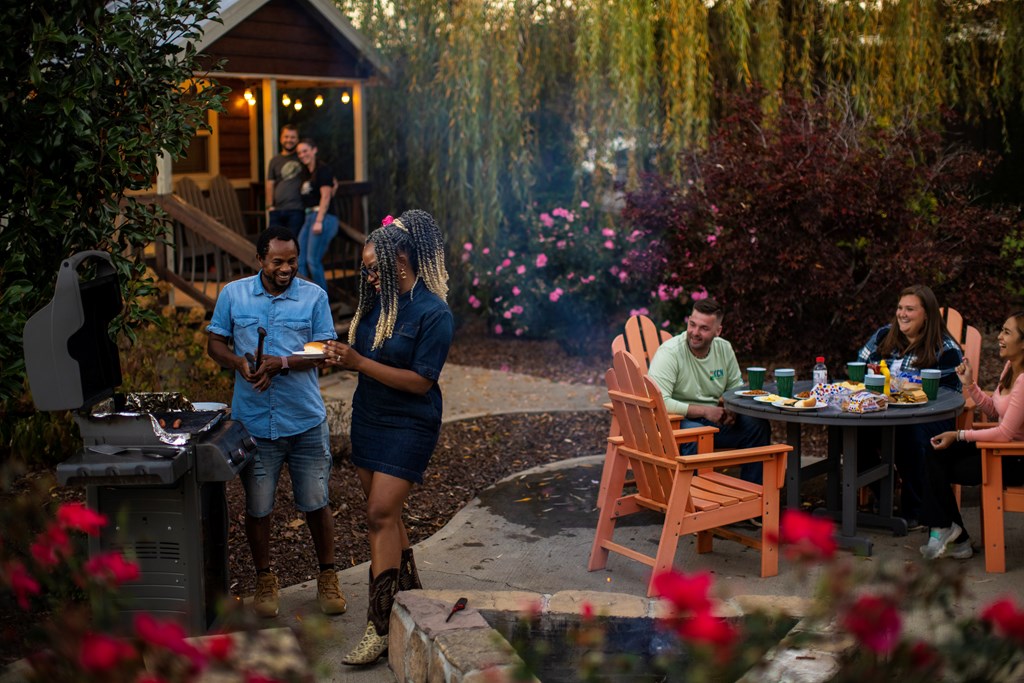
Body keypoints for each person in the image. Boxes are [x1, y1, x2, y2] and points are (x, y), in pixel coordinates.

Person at [323, 210, 453, 666]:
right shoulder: (377, 304)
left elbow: (420, 382)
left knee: (379, 512)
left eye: (375, 267)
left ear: (403, 257)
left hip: (411, 422)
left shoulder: (434, 312)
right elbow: (362, 352)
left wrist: (357, 364)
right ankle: (411, 595)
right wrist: (337, 355)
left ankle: (378, 627)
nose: (369, 275)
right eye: (366, 269)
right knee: (386, 514)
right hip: (370, 417)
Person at [206, 225, 347, 619]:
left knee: (316, 503)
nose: (286, 269)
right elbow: (215, 342)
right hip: (254, 424)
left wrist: (280, 363)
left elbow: (323, 351)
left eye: (291, 262)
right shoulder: (233, 295)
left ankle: (327, 576)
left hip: (304, 421)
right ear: (259, 260)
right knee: (258, 507)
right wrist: (239, 362)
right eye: (277, 262)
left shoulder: (314, 296)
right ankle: (265, 580)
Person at [856, 284, 963, 528]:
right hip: (882, 411)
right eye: (900, 308)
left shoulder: (945, 349)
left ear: (927, 314)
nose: (902, 314)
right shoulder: (885, 336)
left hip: (928, 415)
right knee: (849, 431)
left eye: (910, 309)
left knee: (909, 434)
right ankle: (884, 490)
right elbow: (860, 365)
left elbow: (948, 396)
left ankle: (914, 509)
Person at [922, 312, 1024, 560]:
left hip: (1014, 459)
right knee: (933, 451)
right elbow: (994, 410)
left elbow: (1004, 432)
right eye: (1001, 330)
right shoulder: (1011, 367)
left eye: (1007, 333)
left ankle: (951, 532)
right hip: (998, 450)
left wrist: (958, 434)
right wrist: (970, 384)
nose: (999, 337)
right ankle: (952, 532)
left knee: (943, 463)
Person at [647, 298, 770, 484]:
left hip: (711, 423)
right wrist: (705, 410)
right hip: (674, 425)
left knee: (756, 425)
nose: (695, 333)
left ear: (717, 331)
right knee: (696, 434)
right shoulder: (670, 353)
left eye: (704, 328)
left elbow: (735, 388)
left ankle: (754, 497)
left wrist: (732, 410)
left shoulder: (724, 349)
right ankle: (693, 503)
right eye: (692, 325)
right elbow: (660, 401)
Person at [295, 137, 339, 295]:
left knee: (313, 261)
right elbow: (334, 185)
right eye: (299, 152)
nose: (302, 155)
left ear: (314, 150)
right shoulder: (306, 172)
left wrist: (319, 220)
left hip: (323, 217)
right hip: (309, 217)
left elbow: (326, 196)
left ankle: (322, 301)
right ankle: (306, 298)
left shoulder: (322, 169)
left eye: (305, 151)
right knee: (299, 260)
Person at [265, 124, 305, 234]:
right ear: (281, 139)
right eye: (286, 137)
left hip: (297, 209)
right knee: (273, 243)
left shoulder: (302, 157)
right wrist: (270, 207)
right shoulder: (275, 160)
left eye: (293, 137)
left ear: (297, 140)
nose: (289, 140)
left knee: (292, 244)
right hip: (277, 210)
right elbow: (270, 184)